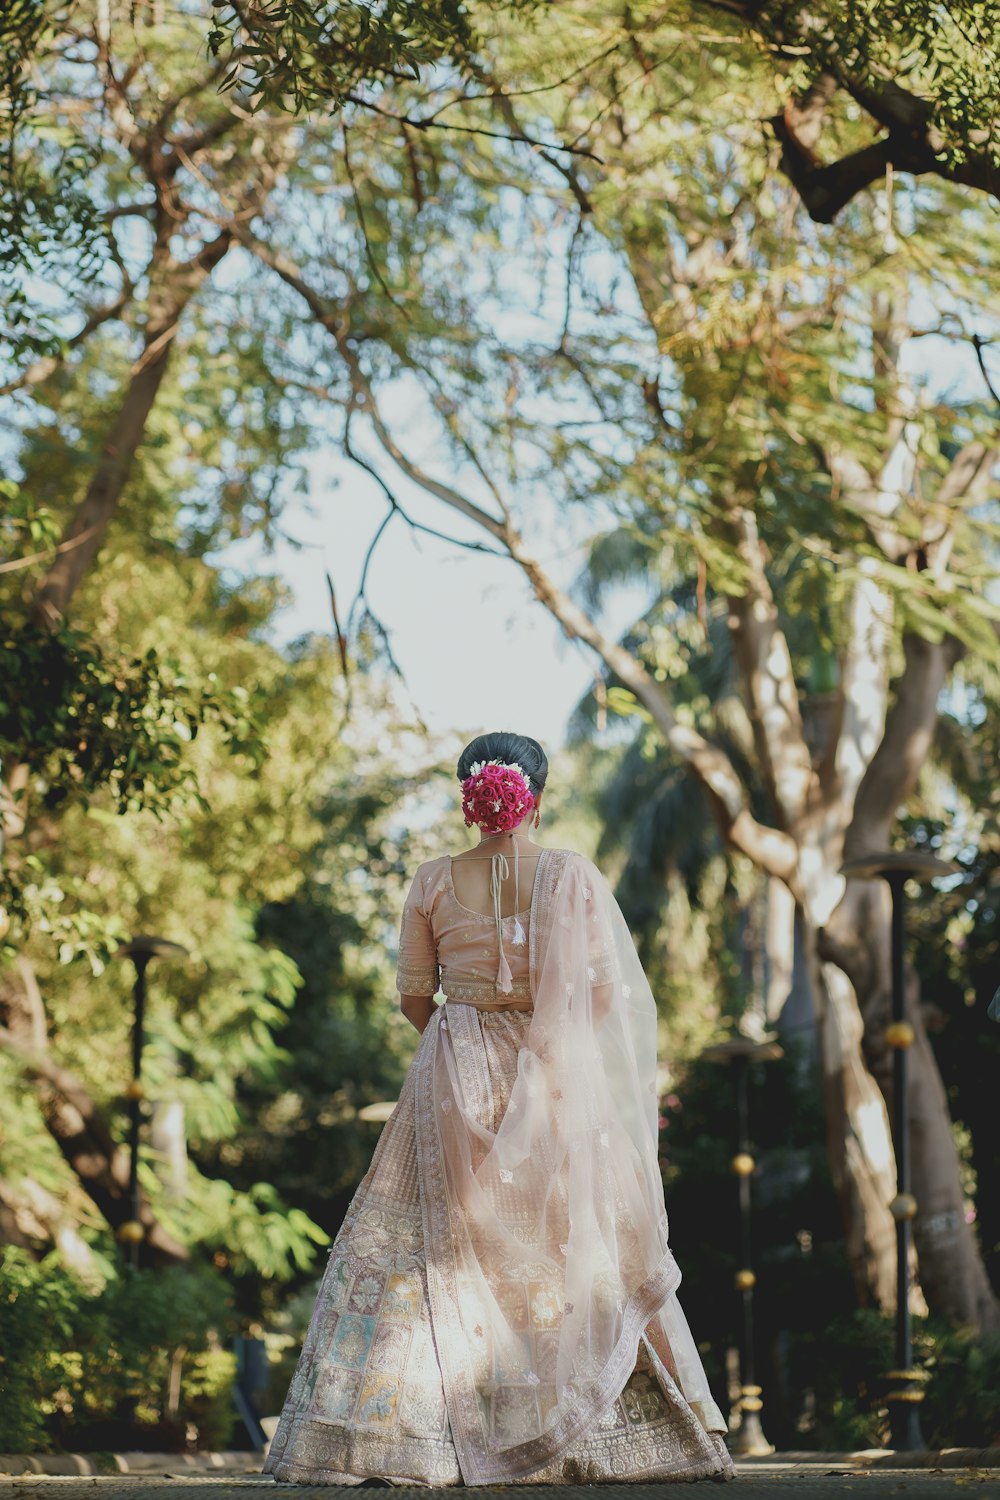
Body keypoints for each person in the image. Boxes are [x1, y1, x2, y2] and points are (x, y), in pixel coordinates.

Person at [264, 732, 734, 1486]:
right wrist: (545, 1037)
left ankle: (397, 1443)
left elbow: (416, 997)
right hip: (555, 1079)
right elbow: (604, 996)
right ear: (535, 800)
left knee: (426, 1248)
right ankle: (606, 1434)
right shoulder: (571, 877)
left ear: (469, 798)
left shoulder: (430, 882)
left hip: (454, 1071)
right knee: (574, 1244)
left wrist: (468, 1026)